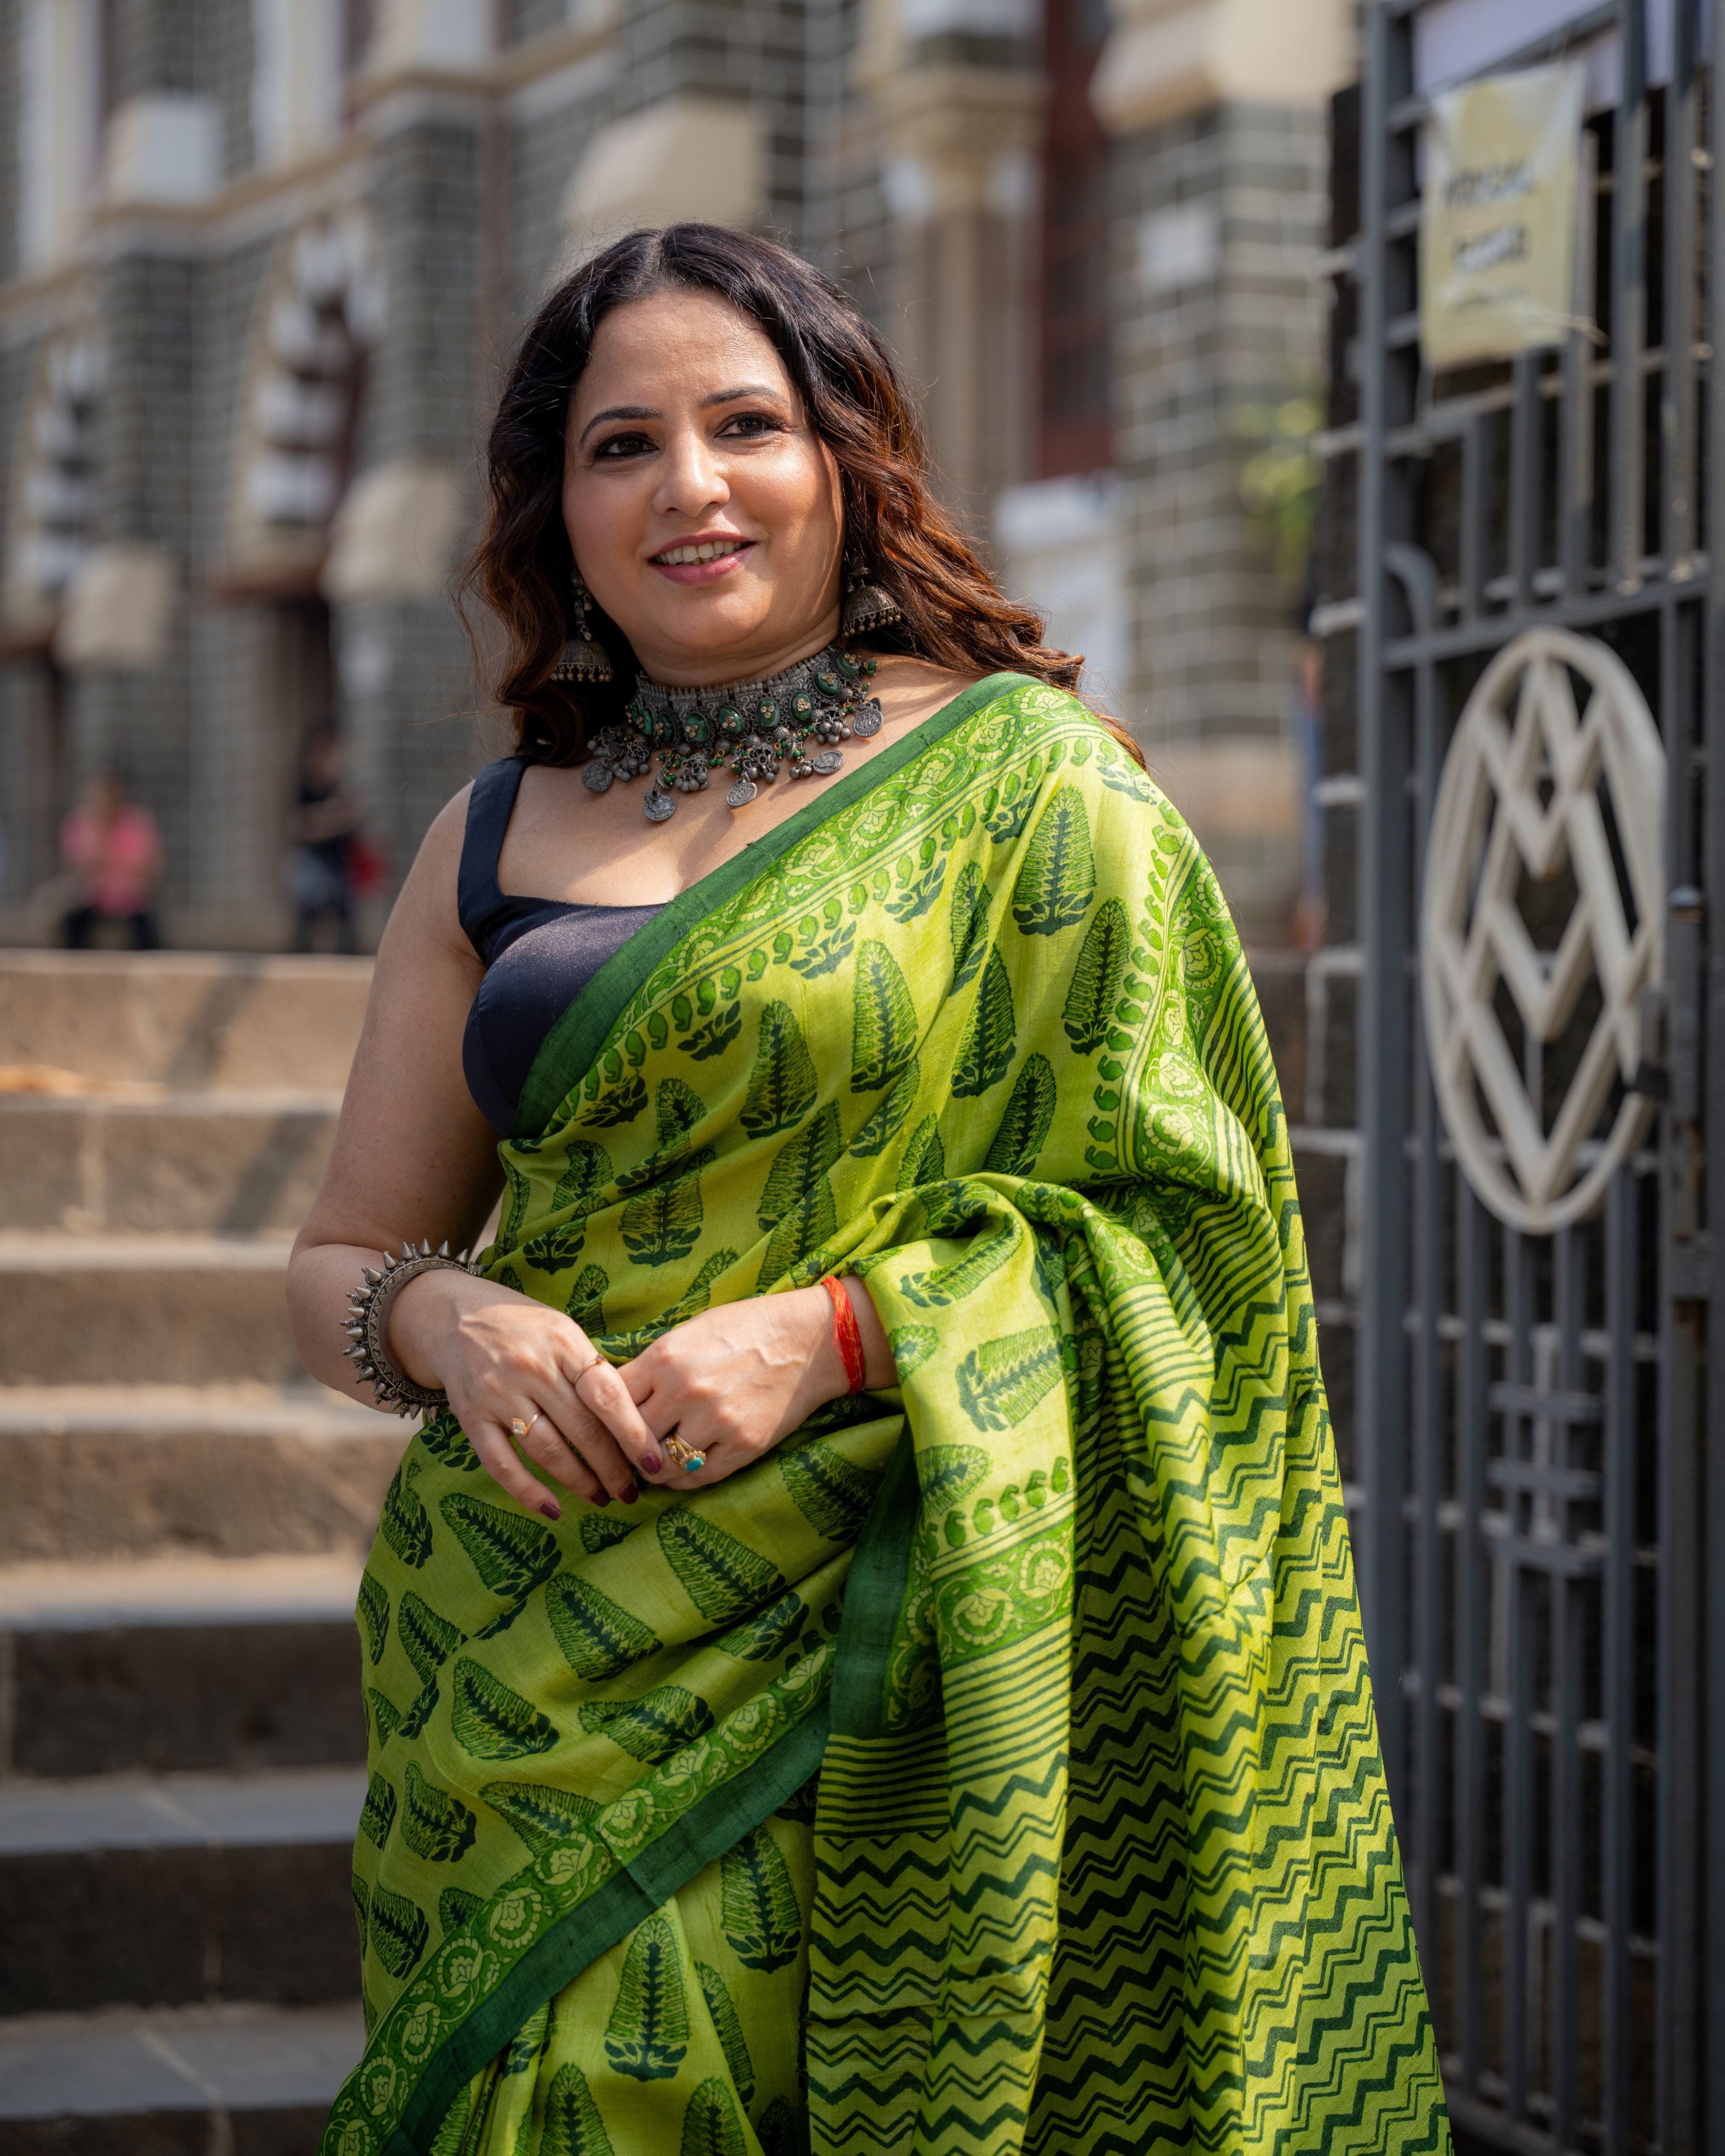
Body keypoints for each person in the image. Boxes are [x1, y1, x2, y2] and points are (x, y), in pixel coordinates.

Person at [289, 226, 1448, 2156]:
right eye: (619, 444)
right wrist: (446, 1315)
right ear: (552, 507)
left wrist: (837, 1334)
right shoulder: (487, 834)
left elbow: (1196, 1237)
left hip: (893, 1635)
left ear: (846, 456)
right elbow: (340, 1251)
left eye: (745, 423)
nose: (690, 486)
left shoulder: (1037, 793)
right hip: (513, 1655)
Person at [61, 769, 162, 949]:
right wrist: (101, 830)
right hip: (92, 899)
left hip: (131, 900)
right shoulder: (82, 822)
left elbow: (148, 865)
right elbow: (81, 864)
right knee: (71, 930)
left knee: (149, 938)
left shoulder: (137, 821)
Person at [289, 725, 363, 954]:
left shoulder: (340, 788)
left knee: (345, 922)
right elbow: (297, 825)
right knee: (307, 920)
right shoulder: (306, 788)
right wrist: (332, 818)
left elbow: (353, 821)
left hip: (339, 863)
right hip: (314, 863)